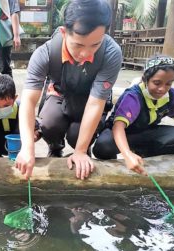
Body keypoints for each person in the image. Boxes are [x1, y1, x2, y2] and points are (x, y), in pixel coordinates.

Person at [15, 0, 122, 180]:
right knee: (49, 123)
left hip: (90, 98)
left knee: (76, 134)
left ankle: (83, 150)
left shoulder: (111, 53)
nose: (86, 54)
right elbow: (28, 101)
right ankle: (55, 148)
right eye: (79, 45)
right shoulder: (45, 54)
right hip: (61, 95)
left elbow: (96, 103)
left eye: (95, 45)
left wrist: (80, 151)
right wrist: (27, 148)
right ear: (64, 33)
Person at [93, 56, 174, 175]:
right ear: (145, 79)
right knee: (103, 147)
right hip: (123, 133)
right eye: (157, 83)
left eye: (168, 84)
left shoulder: (170, 95)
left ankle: (142, 153)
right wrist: (127, 153)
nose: (162, 89)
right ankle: (128, 155)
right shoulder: (133, 96)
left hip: (145, 133)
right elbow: (118, 127)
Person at [0, 0, 21, 77]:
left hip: (3, 33)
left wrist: (16, 35)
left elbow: (14, 12)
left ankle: (9, 88)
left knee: (4, 67)